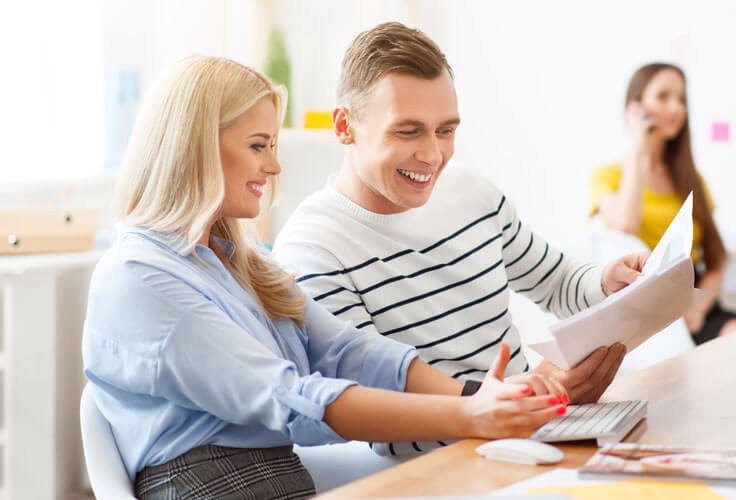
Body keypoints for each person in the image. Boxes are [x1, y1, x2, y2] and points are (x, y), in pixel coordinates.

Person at [81, 55, 572, 500]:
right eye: (258, 145)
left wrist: (477, 396)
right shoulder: (139, 276)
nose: (273, 166)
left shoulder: (236, 262)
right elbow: (289, 396)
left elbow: (343, 350)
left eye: (272, 145)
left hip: (281, 477)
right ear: (196, 148)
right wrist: (470, 417)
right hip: (207, 487)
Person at [272, 22, 647, 456]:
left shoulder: (472, 192)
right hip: (441, 461)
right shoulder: (310, 249)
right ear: (344, 126)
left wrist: (605, 282)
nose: (433, 155)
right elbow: (375, 405)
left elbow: (558, 282)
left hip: (533, 432)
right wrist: (523, 399)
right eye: (407, 131)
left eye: (446, 130)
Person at [590, 63, 736, 345]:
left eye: (681, 99)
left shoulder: (691, 179)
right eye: (664, 96)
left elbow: (717, 258)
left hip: (697, 304)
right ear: (636, 106)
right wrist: (638, 149)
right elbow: (625, 225)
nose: (676, 108)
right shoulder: (609, 176)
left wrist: (699, 308)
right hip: (656, 315)